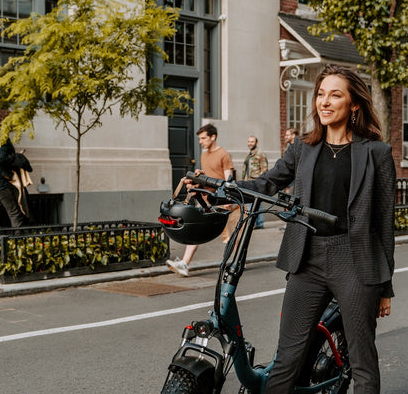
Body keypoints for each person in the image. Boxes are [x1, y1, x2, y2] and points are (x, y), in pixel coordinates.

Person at [235, 65, 396, 393]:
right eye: (321, 94)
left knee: (363, 362)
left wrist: (385, 287)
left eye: (335, 94)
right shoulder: (303, 149)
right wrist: (225, 190)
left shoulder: (376, 153)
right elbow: (268, 182)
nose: (325, 101)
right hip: (307, 260)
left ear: (353, 104)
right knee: (287, 359)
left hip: (355, 262)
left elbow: (384, 223)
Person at [166, 123, 233, 277]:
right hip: (204, 199)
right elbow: (208, 176)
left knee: (231, 236)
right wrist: (200, 174)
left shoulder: (224, 154)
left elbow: (228, 179)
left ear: (213, 137)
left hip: (220, 200)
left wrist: (228, 198)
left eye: (203, 138)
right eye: (200, 138)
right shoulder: (203, 155)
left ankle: (235, 262)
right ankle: (184, 263)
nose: (200, 142)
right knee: (196, 230)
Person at [0, 110, 30, 229]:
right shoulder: (2, 137)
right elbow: (1, 159)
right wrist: (17, 156)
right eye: (12, 121)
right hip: (0, 183)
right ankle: (18, 244)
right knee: (15, 213)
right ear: (6, 122)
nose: (13, 124)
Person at [242, 135, 268, 229]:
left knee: (253, 202)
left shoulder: (260, 154)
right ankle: (259, 223)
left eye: (252, 142)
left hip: (256, 182)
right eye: (249, 141)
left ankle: (254, 223)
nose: (250, 143)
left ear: (256, 143)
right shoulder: (249, 155)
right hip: (248, 182)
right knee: (255, 203)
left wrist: (260, 183)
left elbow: (264, 170)